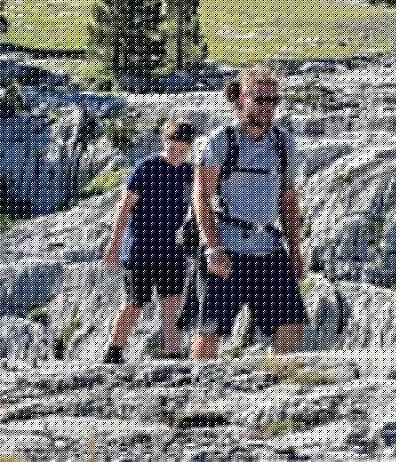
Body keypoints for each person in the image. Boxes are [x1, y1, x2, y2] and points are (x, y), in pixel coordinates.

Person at [190, 65, 307, 359]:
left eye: (273, 101)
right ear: (242, 98)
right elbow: (201, 197)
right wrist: (213, 247)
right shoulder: (220, 142)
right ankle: (195, 393)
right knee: (210, 331)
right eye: (260, 100)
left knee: (291, 324)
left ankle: (281, 390)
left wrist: (295, 250)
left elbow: (288, 200)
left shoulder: (284, 144)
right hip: (227, 249)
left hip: (269, 248)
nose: (268, 108)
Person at [101, 115, 197, 363]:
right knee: (134, 304)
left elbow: (200, 206)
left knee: (172, 305)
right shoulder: (146, 169)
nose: (177, 151)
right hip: (139, 251)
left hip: (173, 251)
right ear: (164, 141)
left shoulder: (190, 174)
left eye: (184, 148)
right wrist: (114, 245)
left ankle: (173, 356)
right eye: (173, 145)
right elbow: (124, 208)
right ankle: (114, 352)